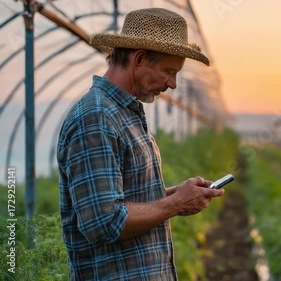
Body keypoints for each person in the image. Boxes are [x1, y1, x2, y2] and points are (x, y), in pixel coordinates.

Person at [57, 8, 223, 281]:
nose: (173, 84)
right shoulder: (96, 117)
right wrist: (174, 206)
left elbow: (126, 200)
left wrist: (175, 195)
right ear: (139, 58)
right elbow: (104, 222)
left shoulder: (124, 114)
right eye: (169, 71)